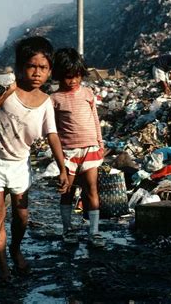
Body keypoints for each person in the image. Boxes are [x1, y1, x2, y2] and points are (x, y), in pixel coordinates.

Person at [0, 36, 69, 285]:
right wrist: (5, 94)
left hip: (19, 164)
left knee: (22, 215)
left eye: (43, 68)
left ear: (50, 71)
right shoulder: (8, 91)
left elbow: (53, 135)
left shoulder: (46, 103)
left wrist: (63, 168)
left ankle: (15, 250)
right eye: (31, 66)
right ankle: (3, 266)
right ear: (19, 67)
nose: (37, 73)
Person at [50, 48, 106, 248]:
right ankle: (67, 229)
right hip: (68, 152)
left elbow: (95, 120)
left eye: (77, 76)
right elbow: (53, 130)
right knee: (67, 191)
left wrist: (100, 144)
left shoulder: (88, 93)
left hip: (90, 148)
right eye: (68, 77)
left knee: (91, 189)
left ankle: (94, 232)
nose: (73, 81)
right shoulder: (54, 99)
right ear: (58, 76)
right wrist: (56, 155)